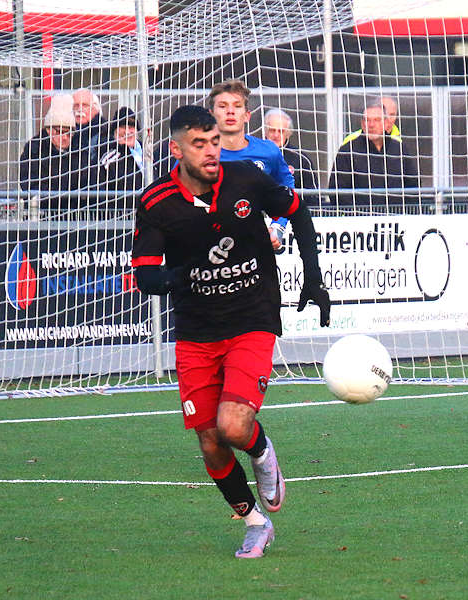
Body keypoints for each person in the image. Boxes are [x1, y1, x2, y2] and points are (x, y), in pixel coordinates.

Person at [131, 105, 330, 559]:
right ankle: (255, 522)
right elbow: (146, 276)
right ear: (176, 149)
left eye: (215, 141)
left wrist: (314, 277)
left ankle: (262, 453)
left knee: (234, 426)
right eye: (199, 144)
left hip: (251, 318)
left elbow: (298, 211)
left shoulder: (246, 180)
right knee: (210, 441)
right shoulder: (157, 201)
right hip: (196, 330)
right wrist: (180, 276)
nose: (210, 152)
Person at [207, 79, 294, 248]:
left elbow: (287, 188)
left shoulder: (268, 151)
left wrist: (278, 227)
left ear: (247, 115)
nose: (230, 111)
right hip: (209, 247)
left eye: (237, 106)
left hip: (254, 247)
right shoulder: (197, 154)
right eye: (223, 106)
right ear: (211, 114)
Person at [328, 98, 419, 207]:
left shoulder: (400, 149)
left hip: (396, 215)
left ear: (386, 123)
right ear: (362, 124)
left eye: (376, 120)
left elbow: (413, 186)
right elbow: (337, 191)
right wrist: (359, 213)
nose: (371, 125)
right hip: (359, 216)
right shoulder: (348, 151)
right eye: (367, 120)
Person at [19, 94, 91, 195]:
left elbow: (88, 182)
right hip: (44, 203)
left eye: (69, 133)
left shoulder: (80, 149)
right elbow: (29, 184)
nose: (65, 137)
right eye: (60, 132)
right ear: (49, 130)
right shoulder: (34, 150)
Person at [263, 108, 320, 199]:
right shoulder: (253, 155)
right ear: (265, 131)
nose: (276, 135)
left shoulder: (301, 159)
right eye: (272, 130)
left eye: (281, 131)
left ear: (288, 133)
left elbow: (313, 196)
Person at [95, 107, 146, 192]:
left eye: (131, 127)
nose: (127, 132)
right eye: (122, 127)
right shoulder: (108, 159)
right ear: (114, 131)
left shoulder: (147, 153)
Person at [71, 88, 107, 163]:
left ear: (96, 109)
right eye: (76, 105)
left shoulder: (105, 133)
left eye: (85, 105)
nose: (80, 109)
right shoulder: (66, 132)